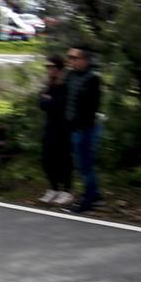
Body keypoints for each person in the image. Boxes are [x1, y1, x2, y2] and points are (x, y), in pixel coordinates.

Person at [65, 45, 102, 213]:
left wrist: (81, 125)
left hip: (86, 128)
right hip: (74, 127)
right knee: (82, 164)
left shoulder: (93, 78)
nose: (70, 61)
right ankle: (94, 194)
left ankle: (88, 201)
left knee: (85, 164)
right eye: (69, 57)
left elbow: (91, 107)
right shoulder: (71, 75)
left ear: (85, 60)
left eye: (74, 58)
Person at [38, 54, 73, 205]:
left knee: (64, 159)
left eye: (51, 67)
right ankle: (53, 188)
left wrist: (49, 101)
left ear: (59, 68)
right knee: (47, 158)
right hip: (50, 126)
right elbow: (41, 103)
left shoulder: (65, 85)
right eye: (47, 67)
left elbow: (61, 105)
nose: (48, 70)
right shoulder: (49, 84)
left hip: (64, 127)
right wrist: (48, 101)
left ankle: (66, 190)